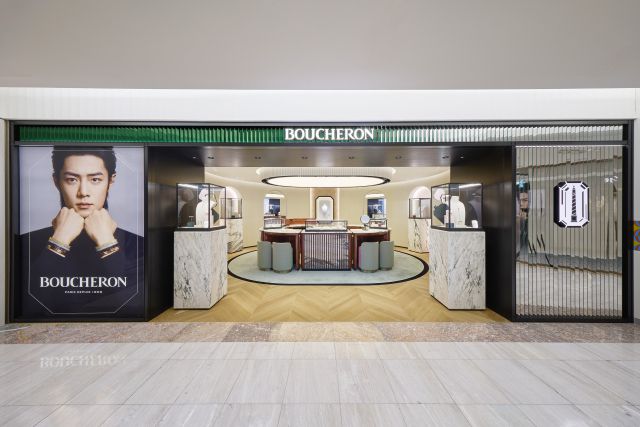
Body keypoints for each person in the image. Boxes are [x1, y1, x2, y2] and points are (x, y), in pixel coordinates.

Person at [21, 147, 143, 316]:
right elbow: (26, 309)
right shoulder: (26, 243)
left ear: (110, 181)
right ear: (56, 182)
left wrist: (106, 242)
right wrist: (59, 240)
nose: (83, 192)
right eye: (72, 180)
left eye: (95, 179)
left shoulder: (137, 245)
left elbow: (135, 307)